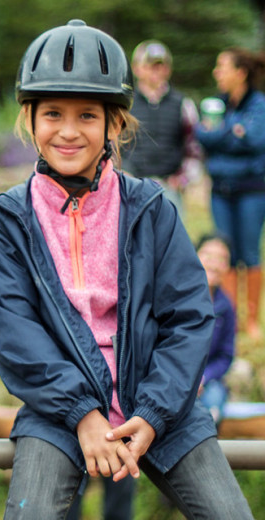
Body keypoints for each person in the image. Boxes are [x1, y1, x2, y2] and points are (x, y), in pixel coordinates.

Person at [0, 19, 253, 519]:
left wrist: (152, 413)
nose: (67, 130)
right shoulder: (9, 218)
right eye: (53, 114)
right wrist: (82, 414)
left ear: (114, 124)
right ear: (29, 118)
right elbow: (14, 331)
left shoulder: (152, 207)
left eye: (87, 115)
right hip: (60, 410)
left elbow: (189, 317)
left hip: (160, 404)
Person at [195, 47, 265, 339]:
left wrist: (222, 134)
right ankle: (232, 318)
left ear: (240, 73)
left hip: (252, 191)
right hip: (220, 191)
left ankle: (251, 321)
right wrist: (232, 132)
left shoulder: (259, 104)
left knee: (249, 253)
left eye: (222, 66)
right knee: (227, 253)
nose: (216, 72)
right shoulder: (216, 104)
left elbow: (256, 140)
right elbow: (204, 137)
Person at [121, 39, 202, 215]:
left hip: (169, 188)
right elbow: (112, 144)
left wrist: (183, 178)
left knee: (171, 239)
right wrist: (121, 174)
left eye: (161, 65)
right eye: (150, 65)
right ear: (136, 68)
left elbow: (194, 146)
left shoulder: (183, 104)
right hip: (132, 187)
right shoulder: (125, 104)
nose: (156, 70)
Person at [195, 232, 237, 425]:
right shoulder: (177, 297)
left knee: (212, 406)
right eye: (208, 256)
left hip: (208, 380)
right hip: (175, 375)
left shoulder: (226, 307)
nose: (214, 264)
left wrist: (204, 377)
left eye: (222, 259)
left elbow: (225, 356)